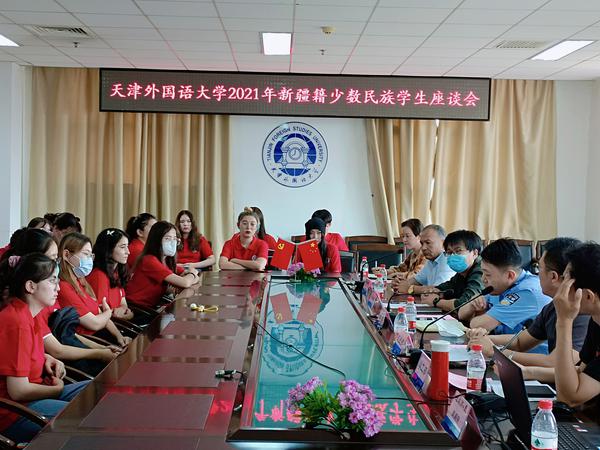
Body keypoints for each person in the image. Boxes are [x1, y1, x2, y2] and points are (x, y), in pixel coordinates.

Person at [0, 229, 120, 377]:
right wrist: (100, 353)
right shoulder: (30, 308)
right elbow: (56, 349)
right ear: (35, 260)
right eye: (53, 259)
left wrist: (102, 348)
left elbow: (66, 333)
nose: (57, 263)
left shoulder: (46, 298)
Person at [468, 237, 588, 383]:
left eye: (539, 268)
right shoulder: (553, 306)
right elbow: (520, 341)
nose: (536, 273)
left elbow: (554, 363)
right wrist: (482, 339)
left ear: (553, 276)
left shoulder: (583, 313)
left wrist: (496, 352)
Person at [0, 254, 89, 444]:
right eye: (52, 281)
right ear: (31, 286)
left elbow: (23, 353)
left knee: (99, 390)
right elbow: (18, 391)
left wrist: (46, 357)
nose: (58, 287)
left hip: (36, 394)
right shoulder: (17, 321)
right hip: (14, 411)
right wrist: (56, 390)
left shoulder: (30, 313)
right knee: (88, 416)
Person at [458, 238, 551, 337]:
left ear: (510, 275)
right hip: (503, 344)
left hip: (522, 347)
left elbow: (477, 325)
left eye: (488, 274)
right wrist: (472, 304)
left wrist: (479, 312)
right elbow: (461, 314)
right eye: (483, 273)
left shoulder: (527, 292)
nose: (483, 279)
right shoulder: (500, 286)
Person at [57, 233, 130, 347]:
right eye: (86, 254)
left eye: (91, 255)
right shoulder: (64, 286)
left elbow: (100, 314)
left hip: (101, 335)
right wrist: (108, 312)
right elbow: (94, 324)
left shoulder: (80, 281)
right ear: (66, 255)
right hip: (88, 341)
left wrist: (119, 336)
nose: (89, 260)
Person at [553, 243, 600, 407]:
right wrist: (527, 372)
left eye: (566, 282)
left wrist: (564, 321)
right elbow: (580, 373)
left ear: (587, 296)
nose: (560, 289)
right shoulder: (596, 320)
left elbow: (569, 397)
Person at [126, 221, 199, 308]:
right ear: (156, 240)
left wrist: (191, 276)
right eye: (168, 238)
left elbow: (191, 278)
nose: (172, 242)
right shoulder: (149, 260)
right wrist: (192, 274)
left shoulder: (167, 260)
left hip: (152, 306)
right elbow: (185, 282)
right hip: (136, 308)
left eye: (175, 239)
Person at [420, 230, 485, 312]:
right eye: (449, 252)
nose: (453, 256)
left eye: (458, 251)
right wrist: (436, 291)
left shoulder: (482, 271)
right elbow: (449, 286)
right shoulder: (463, 272)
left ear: (475, 253)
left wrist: (436, 301)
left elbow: (465, 304)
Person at [392, 224, 455, 294]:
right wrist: (400, 284)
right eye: (422, 243)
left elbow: (438, 290)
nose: (423, 248)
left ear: (444, 244)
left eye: (428, 243)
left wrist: (410, 288)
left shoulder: (448, 261)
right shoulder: (431, 260)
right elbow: (417, 280)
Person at [87, 228, 134, 320]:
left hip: (120, 322)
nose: (128, 252)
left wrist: (128, 313)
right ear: (108, 249)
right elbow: (101, 312)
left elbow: (123, 304)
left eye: (127, 246)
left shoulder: (116, 272)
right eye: (122, 247)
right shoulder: (99, 275)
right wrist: (127, 315)